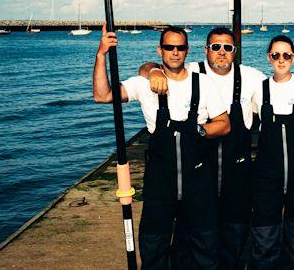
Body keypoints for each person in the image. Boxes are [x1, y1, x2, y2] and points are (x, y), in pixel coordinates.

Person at [142, 27, 294, 269]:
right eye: (216, 47)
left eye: (228, 47)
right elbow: (158, 66)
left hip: (237, 167)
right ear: (206, 50)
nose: (222, 53)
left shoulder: (251, 77)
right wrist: (152, 70)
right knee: (193, 233)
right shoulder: (192, 71)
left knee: (235, 232)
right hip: (200, 169)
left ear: (235, 51)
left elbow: (281, 81)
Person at [92, 24, 230, 269]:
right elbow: (102, 96)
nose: (174, 52)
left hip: (198, 186)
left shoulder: (204, 84)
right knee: (154, 249)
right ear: (160, 50)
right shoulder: (144, 83)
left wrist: (199, 130)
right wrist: (101, 54)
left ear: (187, 51)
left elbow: (224, 124)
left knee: (204, 251)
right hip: (160, 186)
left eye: (180, 47)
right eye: (169, 47)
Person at [249, 35, 294, 269]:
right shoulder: (258, 90)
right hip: (266, 178)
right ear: (268, 57)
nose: (281, 60)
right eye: (276, 55)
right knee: (264, 237)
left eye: (286, 55)